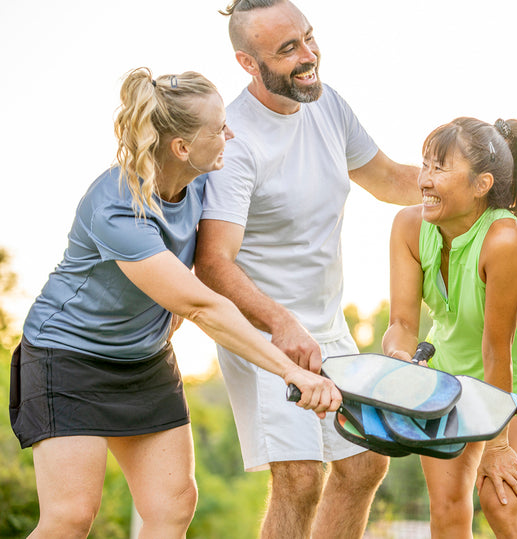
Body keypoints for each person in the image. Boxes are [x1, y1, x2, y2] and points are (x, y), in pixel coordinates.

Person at [7, 67, 341, 539]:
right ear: (182, 147)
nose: (230, 133)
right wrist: (292, 370)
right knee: (70, 516)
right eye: (218, 127)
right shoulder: (117, 206)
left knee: (173, 506)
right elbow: (203, 306)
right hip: (68, 358)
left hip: (144, 360)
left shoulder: (204, 180)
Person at [193, 1, 421, 537]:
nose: (308, 56)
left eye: (309, 38)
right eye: (288, 49)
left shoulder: (328, 106)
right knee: (298, 480)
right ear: (248, 63)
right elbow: (212, 262)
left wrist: (480, 181)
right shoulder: (236, 140)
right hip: (264, 333)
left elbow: (388, 179)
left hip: (327, 324)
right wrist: (280, 323)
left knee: (366, 462)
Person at [381, 117, 517, 538]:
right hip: (449, 380)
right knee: (447, 509)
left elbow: (497, 350)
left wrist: (495, 446)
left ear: (482, 184)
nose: (425, 179)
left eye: (440, 168)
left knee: (502, 501)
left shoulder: (505, 242)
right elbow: (403, 323)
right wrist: (399, 359)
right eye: (425, 165)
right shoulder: (408, 227)